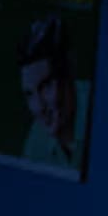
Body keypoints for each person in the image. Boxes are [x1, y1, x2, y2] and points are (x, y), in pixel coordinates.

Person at [18, 11, 88, 175]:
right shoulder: (36, 140)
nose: (38, 107)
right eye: (29, 94)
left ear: (68, 74)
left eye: (45, 86)